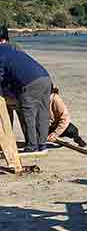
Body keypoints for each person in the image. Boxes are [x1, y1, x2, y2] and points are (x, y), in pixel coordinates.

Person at [0, 24, 52, 152]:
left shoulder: (1, 50)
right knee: (42, 113)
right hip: (45, 77)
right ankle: (42, 145)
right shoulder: (14, 48)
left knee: (27, 113)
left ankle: (32, 146)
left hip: (28, 82)